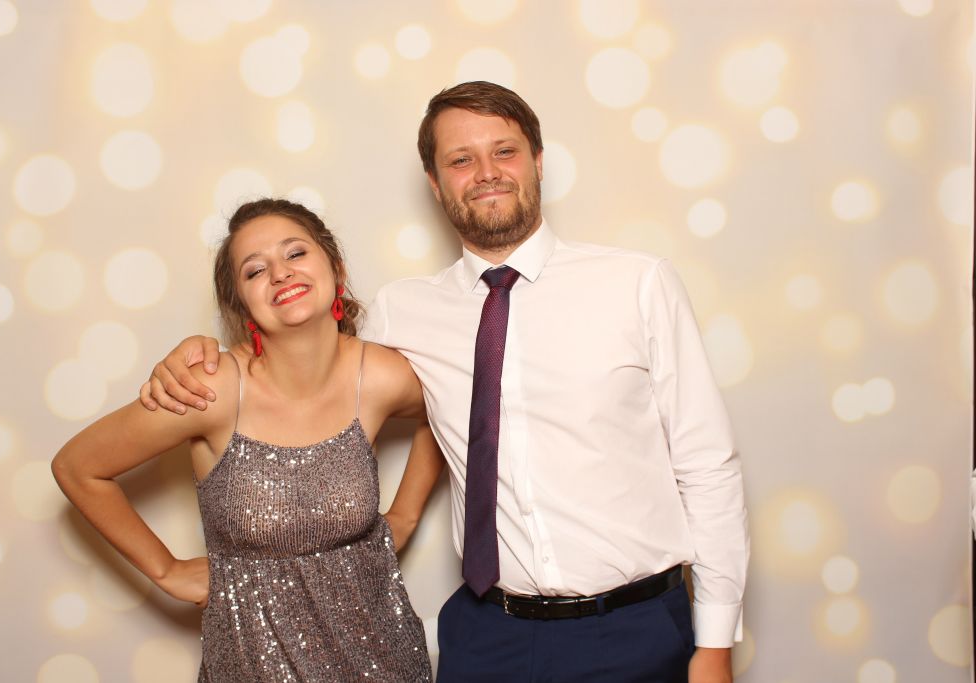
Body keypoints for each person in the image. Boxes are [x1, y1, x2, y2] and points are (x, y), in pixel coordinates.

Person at [142, 82, 749, 683]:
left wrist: (716, 642)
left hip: (633, 627)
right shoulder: (404, 313)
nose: (486, 173)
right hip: (487, 636)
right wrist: (205, 354)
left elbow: (707, 465)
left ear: (538, 162)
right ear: (435, 184)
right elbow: (308, 367)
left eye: (504, 151)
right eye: (461, 160)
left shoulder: (637, 285)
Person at [54, 199, 439, 682]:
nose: (280, 273)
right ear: (240, 304)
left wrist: (404, 516)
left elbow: (451, 410)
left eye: (295, 253)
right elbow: (78, 467)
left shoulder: (377, 375)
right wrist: (167, 571)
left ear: (336, 268)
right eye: (255, 270)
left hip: (383, 658)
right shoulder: (211, 390)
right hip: (251, 664)